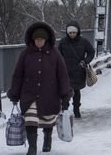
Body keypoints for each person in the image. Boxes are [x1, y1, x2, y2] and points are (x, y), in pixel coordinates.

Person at [7, 22, 73, 154]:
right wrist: (14, 93)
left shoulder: (55, 54)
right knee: (30, 120)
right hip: (29, 94)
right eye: (37, 40)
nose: (39, 42)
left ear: (46, 40)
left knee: (47, 120)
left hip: (50, 94)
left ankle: (47, 138)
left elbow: (62, 75)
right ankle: (32, 147)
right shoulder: (25, 54)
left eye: (41, 40)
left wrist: (65, 94)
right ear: (33, 40)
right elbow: (18, 75)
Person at [58, 20, 95, 119]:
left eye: (74, 32)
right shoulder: (63, 42)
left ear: (77, 32)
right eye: (70, 33)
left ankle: (76, 110)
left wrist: (85, 61)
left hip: (79, 70)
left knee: (76, 91)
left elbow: (91, 52)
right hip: (66, 71)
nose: (72, 34)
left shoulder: (84, 41)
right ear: (67, 32)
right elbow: (57, 55)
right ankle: (65, 109)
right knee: (66, 92)